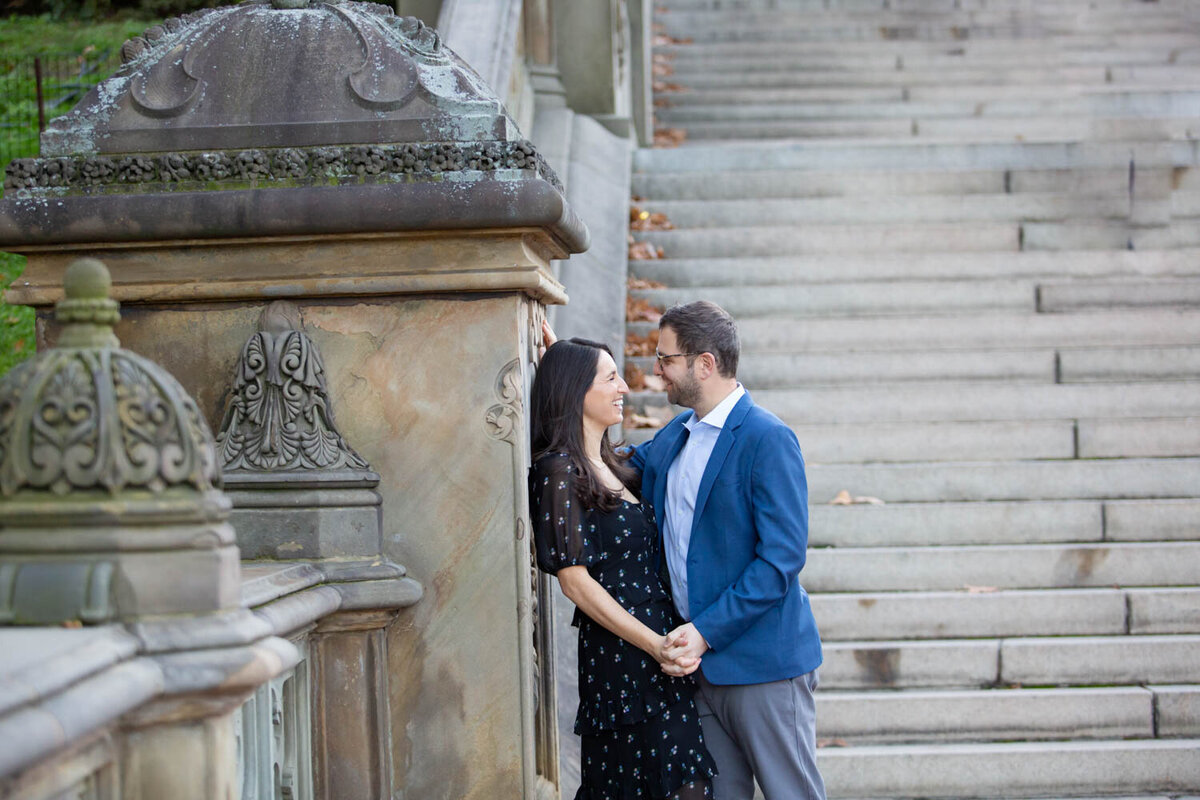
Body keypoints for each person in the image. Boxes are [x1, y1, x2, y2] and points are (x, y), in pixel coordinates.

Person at [629, 301, 826, 800]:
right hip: (698, 673)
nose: (657, 370)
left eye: (666, 358)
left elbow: (781, 560)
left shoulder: (768, 438)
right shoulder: (679, 432)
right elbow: (622, 468)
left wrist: (705, 632)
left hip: (765, 667)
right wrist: (568, 380)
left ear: (705, 363)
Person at [529, 336, 718, 800]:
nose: (623, 388)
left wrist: (567, 351)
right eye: (610, 377)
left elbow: (687, 428)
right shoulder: (557, 469)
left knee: (687, 784)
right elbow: (574, 582)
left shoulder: (617, 462)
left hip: (662, 652)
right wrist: (654, 645)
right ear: (575, 391)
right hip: (622, 657)